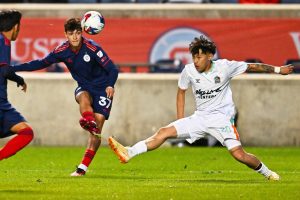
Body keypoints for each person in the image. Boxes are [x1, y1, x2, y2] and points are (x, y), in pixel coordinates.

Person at [108, 35, 294, 181]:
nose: (195, 61)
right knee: (164, 132)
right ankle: (129, 152)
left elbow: (253, 67)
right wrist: (180, 119)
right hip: (200, 117)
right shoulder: (188, 71)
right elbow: (181, 92)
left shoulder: (225, 67)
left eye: (199, 57)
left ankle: (268, 173)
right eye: (193, 57)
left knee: (239, 155)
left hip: (222, 119)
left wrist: (278, 70)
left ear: (210, 56)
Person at [7, 18, 119, 176]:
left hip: (103, 88)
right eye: (71, 33)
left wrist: (110, 85)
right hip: (84, 86)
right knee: (83, 97)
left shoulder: (93, 48)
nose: (75, 37)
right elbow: (40, 63)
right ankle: (88, 120)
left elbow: (112, 69)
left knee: (97, 129)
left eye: (78, 33)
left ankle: (83, 167)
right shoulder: (62, 51)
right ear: (65, 34)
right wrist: (13, 69)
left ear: (82, 33)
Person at [0, 10, 34, 161]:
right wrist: (19, 79)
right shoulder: (3, 41)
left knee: (26, 132)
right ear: (15, 27)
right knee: (26, 133)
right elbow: (5, 71)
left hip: (2, 104)